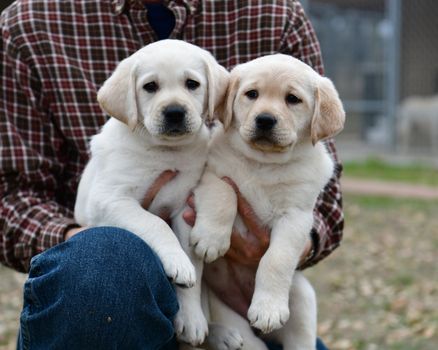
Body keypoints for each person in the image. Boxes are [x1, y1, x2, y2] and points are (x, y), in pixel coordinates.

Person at [0, 0, 344, 349]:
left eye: (193, 85)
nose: (175, 104)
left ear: (215, 96)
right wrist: (83, 247)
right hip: (92, 297)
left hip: (236, 296)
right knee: (103, 260)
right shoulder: (30, 22)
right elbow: (10, 199)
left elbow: (323, 198)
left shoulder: (275, 14)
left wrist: (275, 254)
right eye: (151, 88)